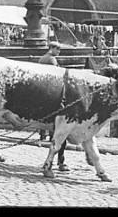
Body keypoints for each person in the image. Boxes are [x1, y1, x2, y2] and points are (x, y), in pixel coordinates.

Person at [37, 42, 68, 171]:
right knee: (62, 132)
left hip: (43, 94)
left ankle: (44, 133)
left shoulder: (41, 59)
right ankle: (61, 162)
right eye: (58, 49)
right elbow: (59, 76)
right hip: (53, 96)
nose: (59, 52)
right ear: (52, 48)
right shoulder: (51, 60)